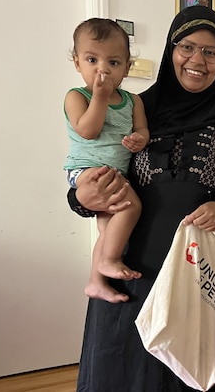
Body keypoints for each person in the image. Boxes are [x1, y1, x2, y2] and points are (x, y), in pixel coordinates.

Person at [66, 6, 215, 392]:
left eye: (211, 52)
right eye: (187, 46)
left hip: (201, 285)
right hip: (130, 281)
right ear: (171, 49)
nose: (197, 60)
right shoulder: (132, 108)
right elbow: (90, 177)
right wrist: (81, 196)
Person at [64, 18, 148, 303]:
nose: (103, 69)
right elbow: (88, 130)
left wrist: (140, 139)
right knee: (131, 206)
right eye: (91, 59)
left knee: (107, 228)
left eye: (113, 62)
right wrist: (99, 98)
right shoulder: (77, 96)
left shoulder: (133, 101)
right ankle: (109, 261)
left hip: (114, 172)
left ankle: (96, 282)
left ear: (127, 67)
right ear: (77, 63)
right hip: (86, 170)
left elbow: (142, 129)